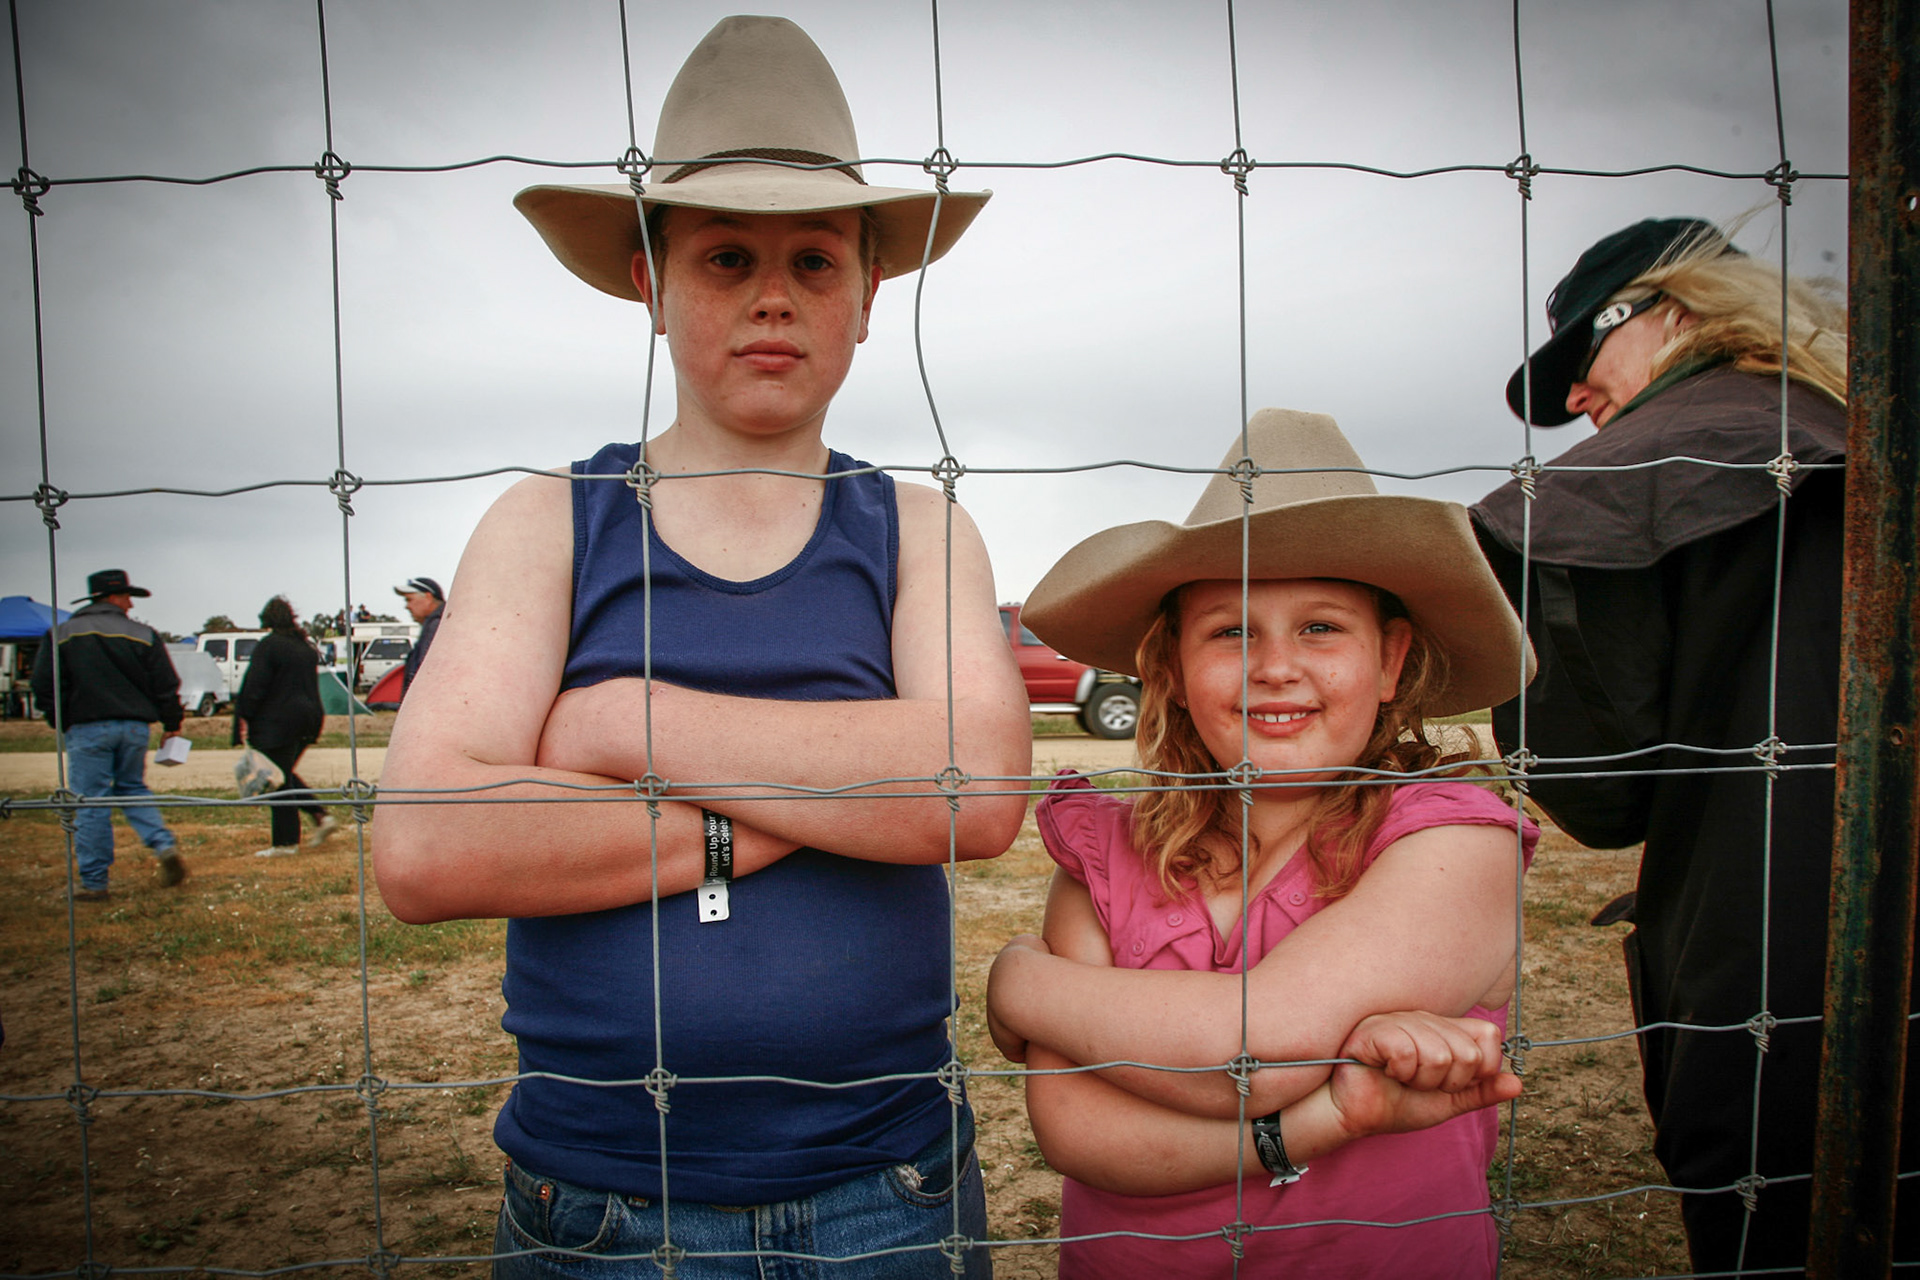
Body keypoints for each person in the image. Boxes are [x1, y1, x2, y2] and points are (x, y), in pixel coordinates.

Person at [371, 16, 1028, 1280]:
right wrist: (823, 799)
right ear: (651, 283)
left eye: (815, 262)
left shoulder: (920, 527)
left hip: (883, 1189)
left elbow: (978, 787)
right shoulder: (545, 521)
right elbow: (428, 840)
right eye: (727, 256)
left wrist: (624, 724)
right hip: (601, 1202)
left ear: (869, 299)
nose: (773, 294)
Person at [985, 410, 1539, 1278]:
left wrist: (1024, 985)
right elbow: (1075, 1130)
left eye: (1321, 627)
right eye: (1232, 630)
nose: (1276, 665)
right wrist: (1333, 1117)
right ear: (1170, 666)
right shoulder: (1107, 848)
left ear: (1391, 661)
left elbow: (1256, 1054)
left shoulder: (1453, 843)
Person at [1471, 216, 1911, 1274]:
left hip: (1766, 982)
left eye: (1584, 358)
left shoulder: (1593, 499)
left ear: (1675, 310)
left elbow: (1601, 794)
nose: (1575, 400)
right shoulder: (1877, 436)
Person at [30, 568, 189, 900]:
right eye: (128, 597)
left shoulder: (61, 634)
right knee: (132, 788)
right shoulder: (143, 634)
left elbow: (44, 685)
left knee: (91, 802)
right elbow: (165, 685)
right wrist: (172, 723)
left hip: (87, 727)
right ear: (114, 598)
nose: (131, 604)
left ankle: (94, 882)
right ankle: (163, 845)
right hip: (134, 727)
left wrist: (61, 720)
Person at [233, 596, 338, 857]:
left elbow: (254, 687)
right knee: (283, 772)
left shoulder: (269, 647)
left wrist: (243, 717)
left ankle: (285, 843)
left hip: (277, 722)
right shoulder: (304, 646)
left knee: (278, 782)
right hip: (309, 718)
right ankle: (320, 815)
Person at [394, 575, 444, 692]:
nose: (407, 606)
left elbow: (427, 674)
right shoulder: (437, 623)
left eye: (409, 599)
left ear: (428, 597)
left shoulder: (437, 626)